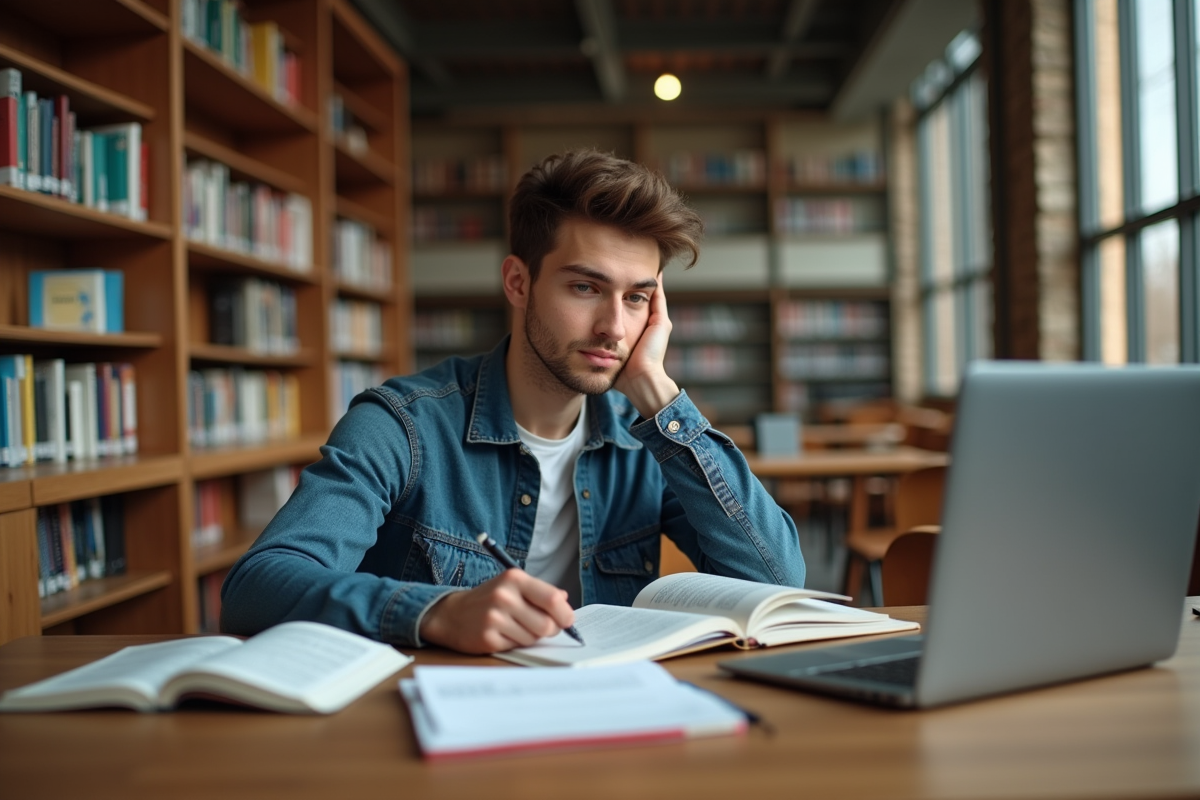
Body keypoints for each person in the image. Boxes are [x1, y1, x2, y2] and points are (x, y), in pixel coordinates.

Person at [221, 149, 805, 654]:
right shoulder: (402, 425)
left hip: (609, 715)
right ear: (518, 283)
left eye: (636, 299)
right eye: (585, 287)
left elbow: (775, 580)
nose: (613, 327)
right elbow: (258, 587)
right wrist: (435, 613)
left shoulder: (648, 437)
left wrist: (657, 392)